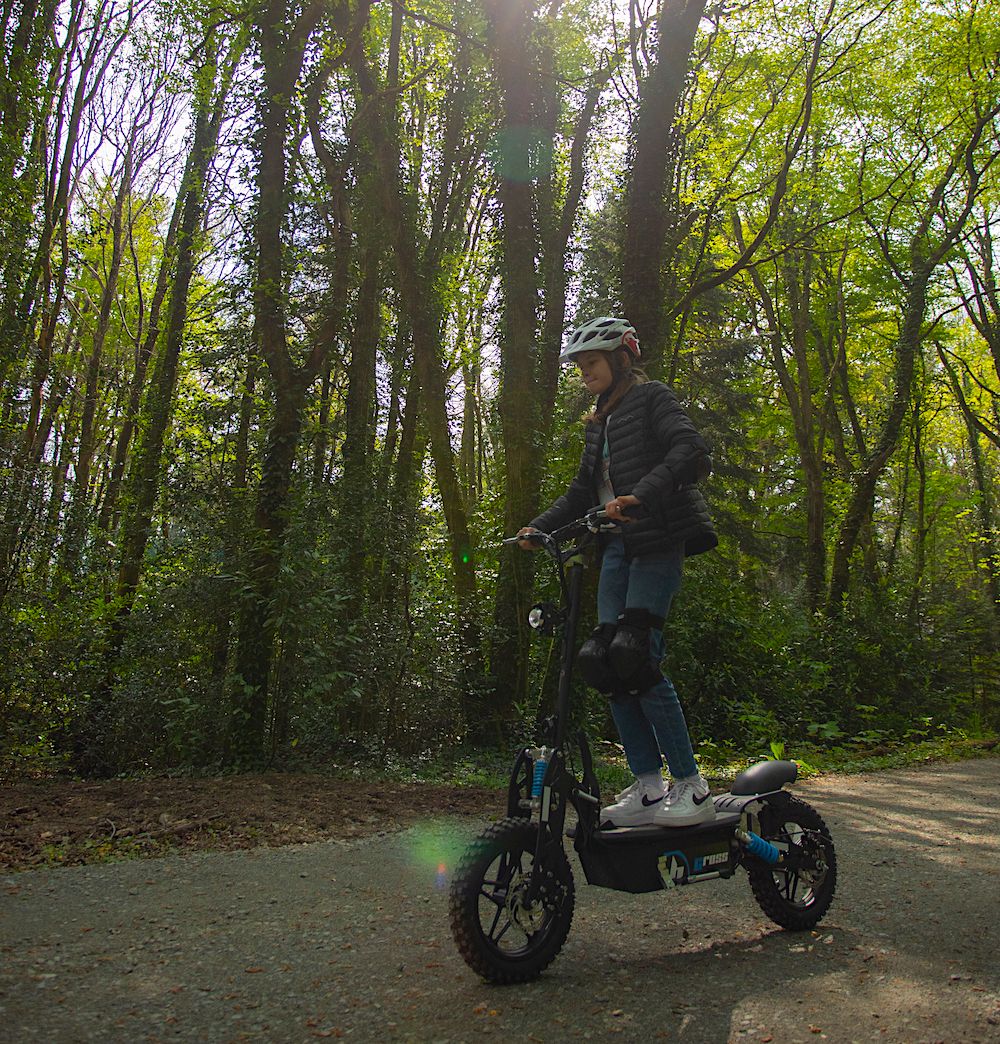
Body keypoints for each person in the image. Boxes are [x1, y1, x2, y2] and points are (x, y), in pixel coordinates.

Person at [518, 316, 717, 828]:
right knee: (604, 661)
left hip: (655, 541)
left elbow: (690, 450)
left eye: (593, 362)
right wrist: (537, 528)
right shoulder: (597, 423)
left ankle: (691, 786)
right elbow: (582, 493)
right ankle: (649, 785)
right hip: (613, 550)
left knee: (637, 654)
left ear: (621, 360)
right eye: (581, 366)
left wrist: (642, 495)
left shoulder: (653, 400)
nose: (586, 371)